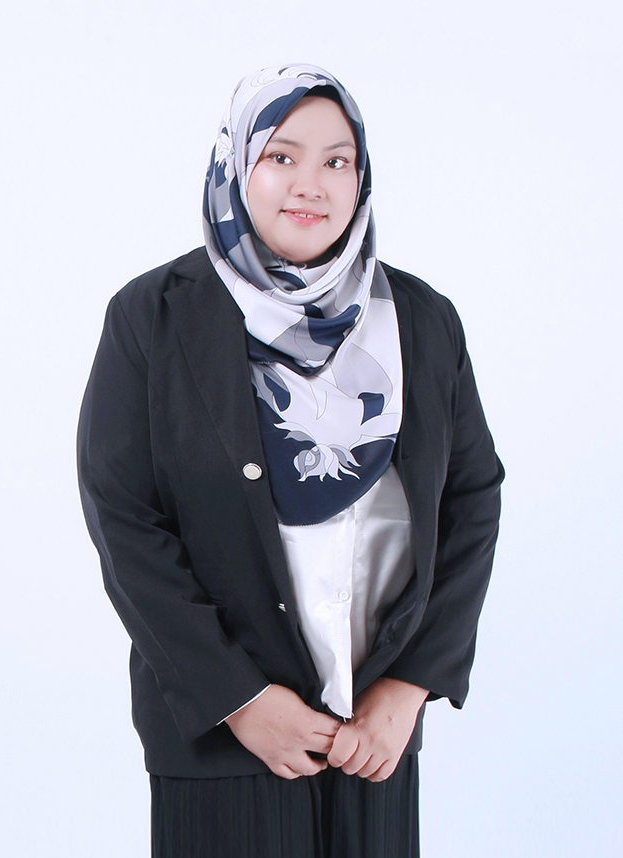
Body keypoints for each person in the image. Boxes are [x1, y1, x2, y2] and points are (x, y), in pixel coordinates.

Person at [77, 63, 504, 858]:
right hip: (221, 735)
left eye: (337, 160)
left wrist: (409, 687)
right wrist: (239, 698)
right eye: (282, 156)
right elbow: (125, 520)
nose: (312, 183)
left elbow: (473, 498)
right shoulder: (153, 316)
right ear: (237, 165)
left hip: (373, 733)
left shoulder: (420, 319)